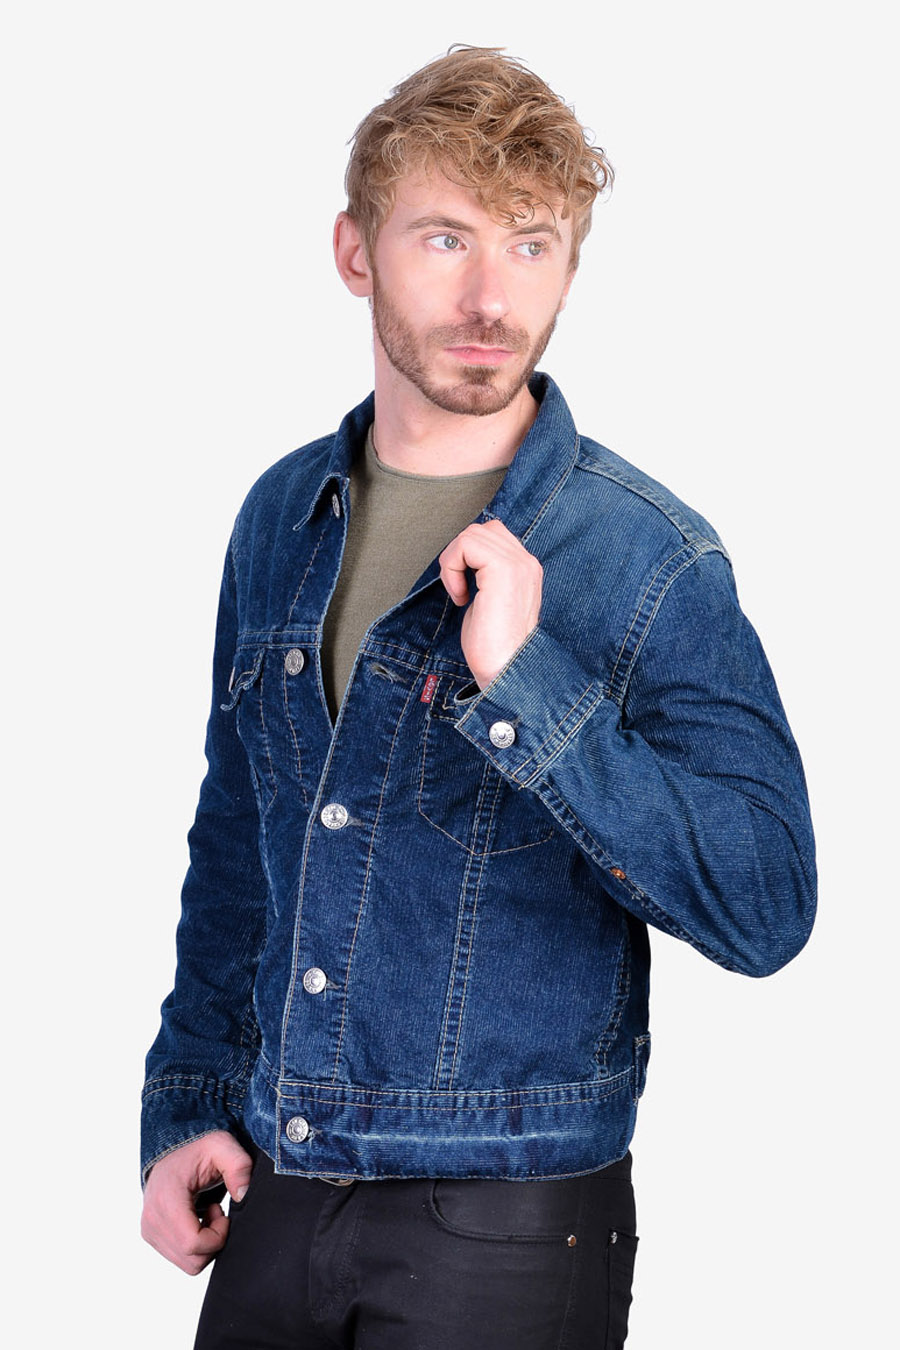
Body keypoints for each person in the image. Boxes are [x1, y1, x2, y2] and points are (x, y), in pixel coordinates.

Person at [141, 46, 816, 1349]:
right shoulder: (283, 515)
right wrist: (189, 1100)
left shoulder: (649, 558)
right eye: (445, 237)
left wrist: (530, 685)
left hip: (507, 1223)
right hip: (277, 1185)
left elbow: (767, 901)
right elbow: (241, 836)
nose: (492, 296)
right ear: (357, 252)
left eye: (532, 244)